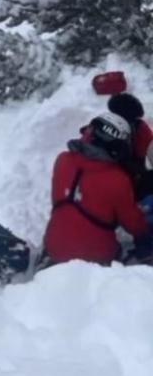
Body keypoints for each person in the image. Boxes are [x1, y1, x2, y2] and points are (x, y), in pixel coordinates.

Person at [42, 112, 153, 266]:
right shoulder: (117, 179)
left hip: (53, 248)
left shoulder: (63, 160)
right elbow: (134, 225)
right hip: (95, 260)